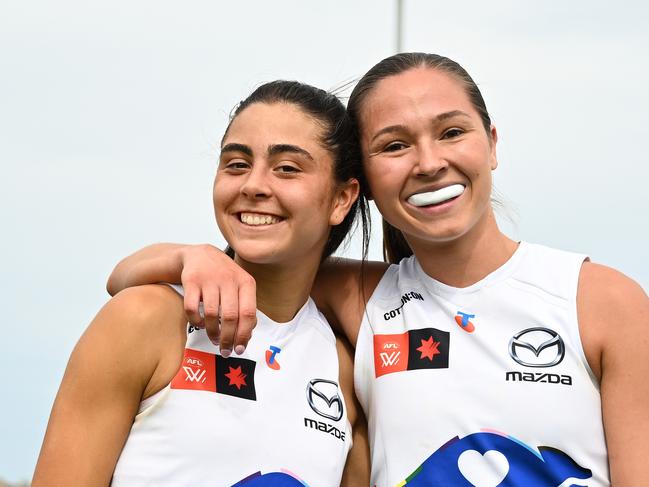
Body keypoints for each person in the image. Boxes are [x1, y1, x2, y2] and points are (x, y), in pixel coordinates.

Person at [106, 53, 649, 486]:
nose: (429, 162)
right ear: (362, 186)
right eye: (394, 146)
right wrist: (191, 255)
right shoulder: (360, 298)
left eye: (452, 132)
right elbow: (215, 266)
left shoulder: (600, 299)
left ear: (493, 143)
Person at [33, 80, 372, 486]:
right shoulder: (144, 319)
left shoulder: (344, 369)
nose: (253, 185)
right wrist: (184, 255)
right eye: (236, 164)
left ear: (342, 199)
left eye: (286, 168)